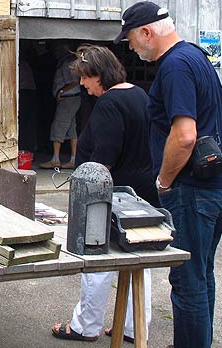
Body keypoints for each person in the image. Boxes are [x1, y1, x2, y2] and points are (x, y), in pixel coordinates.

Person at [114, 1, 222, 348]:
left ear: (146, 32)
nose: (131, 47)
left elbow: (184, 135)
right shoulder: (196, 57)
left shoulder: (175, 67)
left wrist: (164, 182)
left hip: (195, 189)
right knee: (201, 273)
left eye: (130, 40)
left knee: (186, 279)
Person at [51, 44, 159, 343]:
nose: (83, 84)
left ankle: (85, 326)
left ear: (101, 74)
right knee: (139, 260)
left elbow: (103, 163)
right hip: (141, 192)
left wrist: (89, 202)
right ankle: (133, 327)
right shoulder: (138, 95)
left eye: (86, 78)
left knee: (97, 261)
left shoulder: (110, 104)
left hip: (111, 196)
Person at [39, 40, 80, 169]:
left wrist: (61, 91)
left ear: (65, 48)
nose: (55, 51)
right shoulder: (67, 61)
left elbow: (74, 81)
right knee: (71, 128)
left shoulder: (67, 62)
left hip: (68, 98)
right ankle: (73, 159)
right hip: (73, 98)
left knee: (58, 126)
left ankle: (55, 159)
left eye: (58, 48)